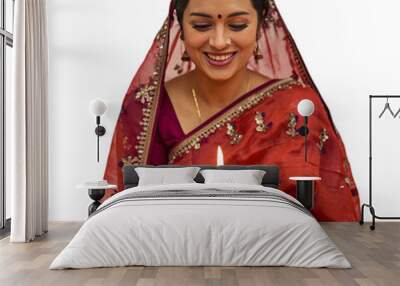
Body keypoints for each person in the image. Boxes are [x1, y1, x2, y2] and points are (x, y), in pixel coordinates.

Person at [104, 0, 360, 221]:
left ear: (261, 27)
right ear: (179, 29)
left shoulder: (296, 107)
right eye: (201, 25)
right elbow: (127, 206)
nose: (219, 42)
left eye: (237, 25)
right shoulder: (146, 107)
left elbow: (330, 213)